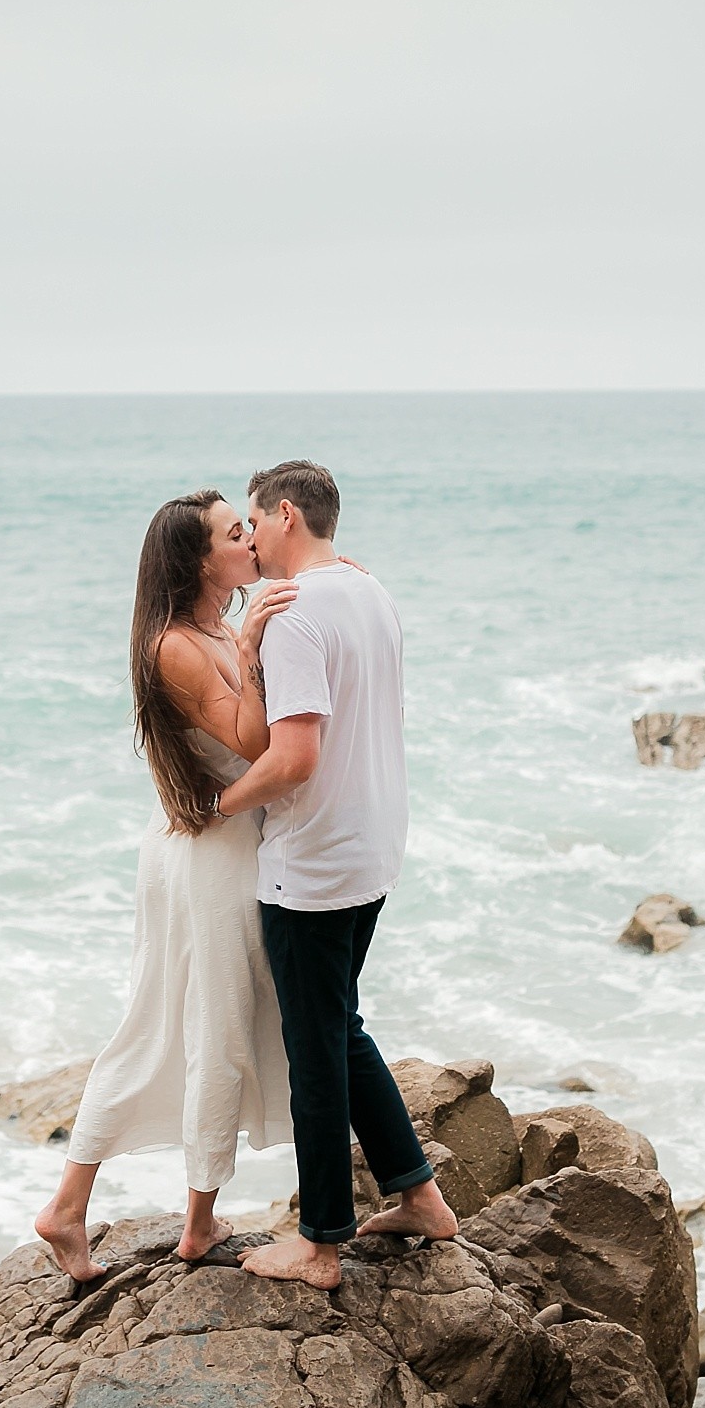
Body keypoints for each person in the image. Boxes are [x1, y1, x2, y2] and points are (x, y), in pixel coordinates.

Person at [206, 459, 463, 1299]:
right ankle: (421, 1196)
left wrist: (217, 804)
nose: (248, 535)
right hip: (373, 844)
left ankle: (320, 1245)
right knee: (339, 1027)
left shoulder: (294, 614)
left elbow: (295, 756)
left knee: (314, 1049)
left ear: (286, 514)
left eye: (253, 519)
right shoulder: (370, 590)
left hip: (314, 861)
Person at [34, 495, 295, 1289]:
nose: (249, 538)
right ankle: (188, 1221)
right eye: (233, 533)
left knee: (202, 1026)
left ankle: (93, 1209)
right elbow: (254, 742)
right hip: (206, 858)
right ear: (196, 562)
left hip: (215, 845)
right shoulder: (179, 646)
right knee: (201, 1029)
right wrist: (251, 645)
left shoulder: (214, 627)